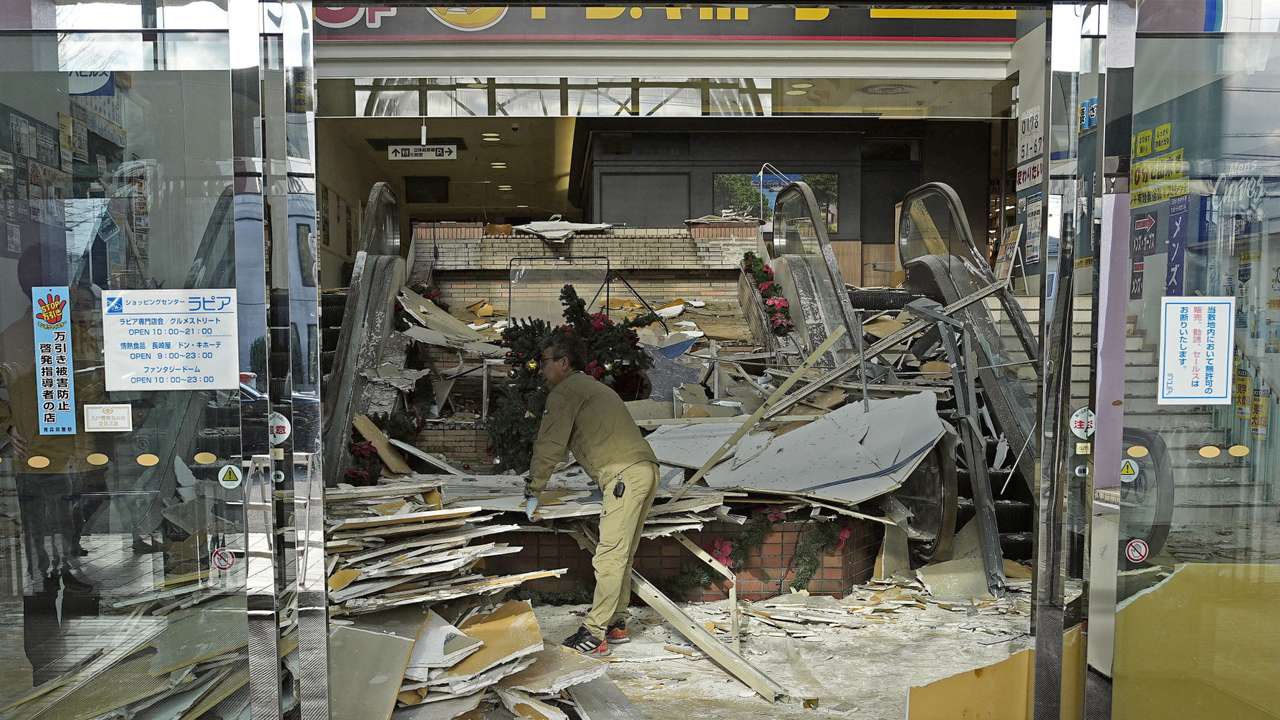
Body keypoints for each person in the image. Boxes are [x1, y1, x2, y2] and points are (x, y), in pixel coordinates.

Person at [526, 334, 658, 656]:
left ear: (563, 363)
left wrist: (533, 489)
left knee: (609, 556)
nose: (541, 369)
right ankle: (616, 623)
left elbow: (550, 445)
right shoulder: (593, 388)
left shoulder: (565, 392)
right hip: (645, 470)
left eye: (545, 362)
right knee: (621, 555)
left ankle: (594, 632)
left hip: (623, 476)